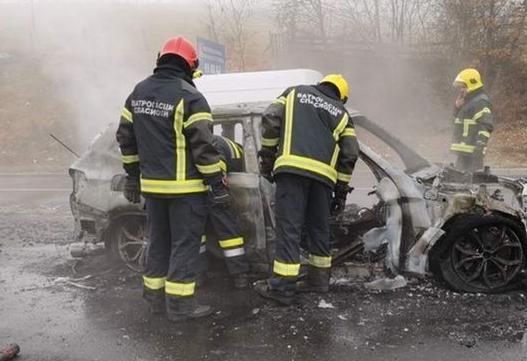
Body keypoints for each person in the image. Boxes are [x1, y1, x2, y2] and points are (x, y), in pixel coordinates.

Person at [116, 36, 230, 321]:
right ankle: (180, 306)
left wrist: (133, 177)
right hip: (186, 190)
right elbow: (204, 148)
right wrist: (216, 185)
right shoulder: (191, 97)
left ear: (160, 59)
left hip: (153, 190)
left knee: (158, 243)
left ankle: (155, 301)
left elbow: (125, 139)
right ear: (191, 67)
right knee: (185, 245)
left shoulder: (138, 93)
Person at [254, 74, 359, 305]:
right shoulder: (341, 113)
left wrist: (268, 159)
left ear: (321, 84)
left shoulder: (295, 92)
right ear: (341, 96)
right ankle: (319, 281)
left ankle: (282, 289)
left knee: (289, 229)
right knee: (318, 229)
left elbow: (270, 118)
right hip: (323, 181)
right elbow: (350, 153)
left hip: (291, 174)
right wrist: (340, 192)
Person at [199, 135, 249, 289]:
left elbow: (217, 164)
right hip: (215, 189)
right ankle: (240, 276)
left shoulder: (211, 143)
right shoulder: (232, 147)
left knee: (197, 233)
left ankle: (199, 274)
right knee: (229, 232)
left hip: (207, 188)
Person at [450, 68, 493, 172]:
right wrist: (457, 107)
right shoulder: (468, 102)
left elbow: (486, 125)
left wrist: (479, 146)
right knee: (459, 184)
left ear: (471, 85)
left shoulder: (480, 102)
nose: (461, 90)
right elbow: (456, 122)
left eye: (463, 87)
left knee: (470, 184)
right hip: (464, 152)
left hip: (473, 153)